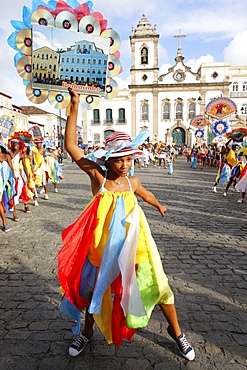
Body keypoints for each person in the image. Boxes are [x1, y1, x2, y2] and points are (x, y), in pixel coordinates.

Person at [57, 88, 195, 361]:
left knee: (160, 285)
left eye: (128, 159)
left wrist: (158, 206)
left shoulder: (133, 182)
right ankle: (87, 332)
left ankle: (177, 333)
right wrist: (74, 106)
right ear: (109, 159)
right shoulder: (98, 178)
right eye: (119, 159)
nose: (124, 164)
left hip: (138, 247)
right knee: (97, 290)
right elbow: (71, 146)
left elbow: (146, 195)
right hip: (103, 249)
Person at [0, 142, 15, 232]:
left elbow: (11, 168)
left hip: (4, 182)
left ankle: (5, 222)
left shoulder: (6, 156)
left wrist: (12, 179)